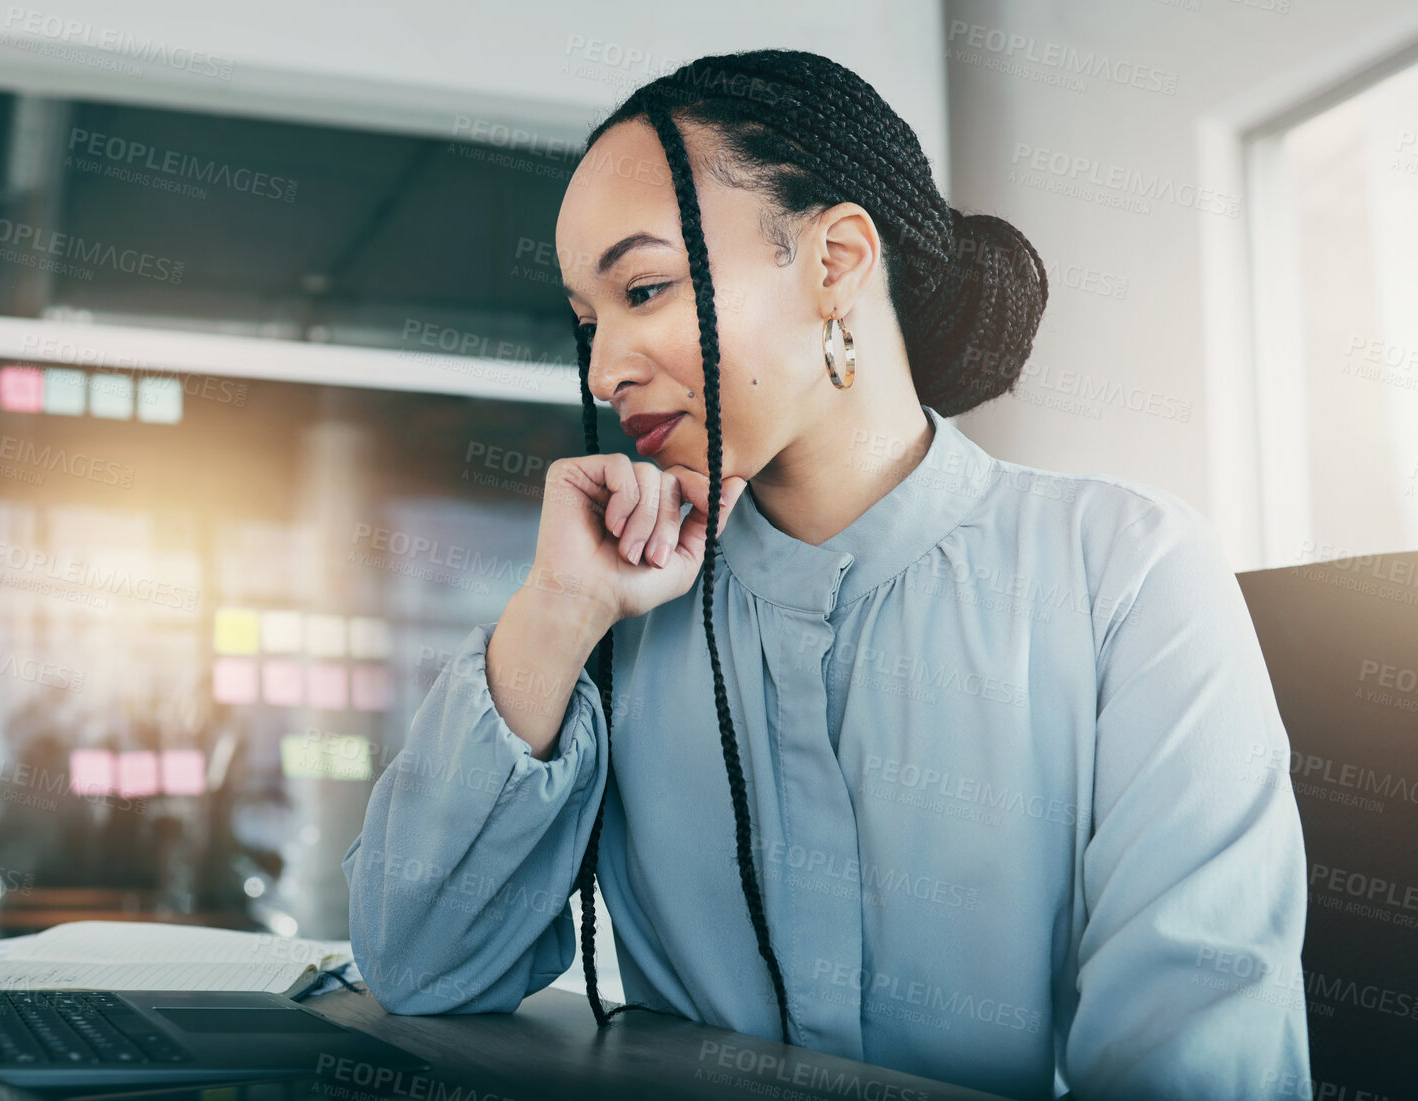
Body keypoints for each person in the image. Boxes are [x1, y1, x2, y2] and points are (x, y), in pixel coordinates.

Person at [342, 50, 1309, 1101]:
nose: (603, 369)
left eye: (645, 288)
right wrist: (558, 614)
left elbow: (1199, 1064)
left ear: (838, 261)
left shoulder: (1124, 574)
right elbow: (422, 966)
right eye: (589, 319)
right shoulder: (625, 612)